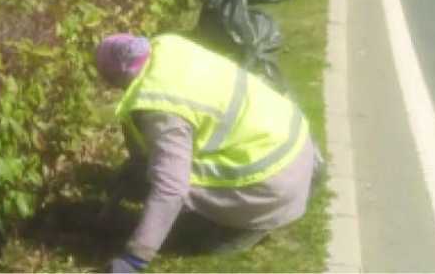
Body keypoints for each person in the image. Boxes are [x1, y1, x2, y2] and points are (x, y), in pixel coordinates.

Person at [96, 34, 320, 272]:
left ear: (116, 80)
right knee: (166, 166)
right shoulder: (170, 47)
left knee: (177, 195)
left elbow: (171, 188)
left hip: (273, 185)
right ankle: (273, 201)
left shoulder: (159, 108)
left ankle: (243, 228)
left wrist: (134, 258)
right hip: (296, 149)